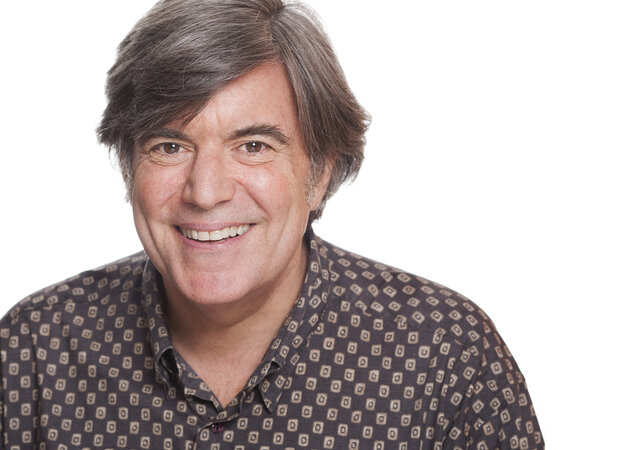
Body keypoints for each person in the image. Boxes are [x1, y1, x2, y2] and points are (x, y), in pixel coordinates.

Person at [0, 0, 544, 448]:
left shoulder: (446, 357)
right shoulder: (32, 353)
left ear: (320, 172)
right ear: (127, 167)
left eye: (253, 146)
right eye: (169, 146)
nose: (205, 191)